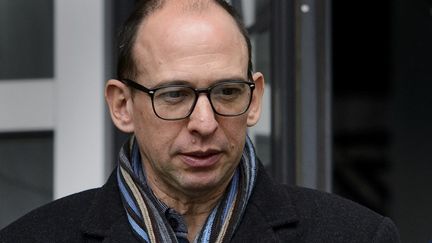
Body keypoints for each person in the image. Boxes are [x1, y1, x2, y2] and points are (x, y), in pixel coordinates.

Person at [0, 0, 400, 242]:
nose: (205, 123)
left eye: (227, 91)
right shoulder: (29, 239)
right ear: (122, 105)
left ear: (255, 98)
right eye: (174, 95)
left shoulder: (357, 236)